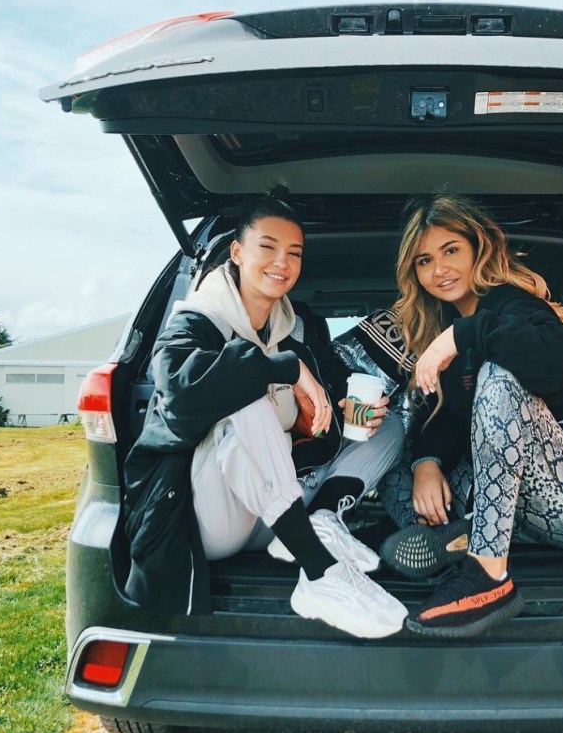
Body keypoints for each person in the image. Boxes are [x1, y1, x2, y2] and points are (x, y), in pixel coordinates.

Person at [122, 185, 406, 639]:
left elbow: (333, 391)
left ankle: (323, 521)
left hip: (280, 510)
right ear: (237, 252)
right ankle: (319, 572)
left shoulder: (300, 328)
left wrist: (349, 410)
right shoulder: (194, 321)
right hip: (214, 517)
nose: (282, 262)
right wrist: (284, 368)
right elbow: (179, 394)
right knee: (244, 394)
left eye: (294, 253)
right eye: (268, 247)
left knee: (389, 426)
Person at [379, 193, 563, 637]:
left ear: (478, 249)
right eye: (425, 261)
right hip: (508, 511)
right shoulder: (442, 327)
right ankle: (461, 536)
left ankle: (487, 576)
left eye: (451, 250)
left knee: (499, 375)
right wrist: (426, 462)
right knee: (393, 451)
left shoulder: (517, 306)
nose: (440, 269)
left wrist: (463, 335)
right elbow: (444, 419)